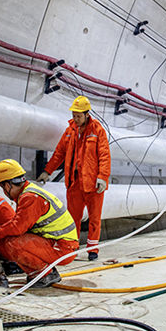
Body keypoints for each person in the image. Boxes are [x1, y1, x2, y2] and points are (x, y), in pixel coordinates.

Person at [38, 95, 111, 261]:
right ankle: (72, 247)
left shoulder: (97, 130)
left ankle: (93, 250)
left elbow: (105, 155)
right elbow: (59, 154)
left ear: (87, 114)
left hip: (93, 183)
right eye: (73, 115)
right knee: (73, 217)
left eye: (78, 115)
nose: (75, 119)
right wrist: (47, 171)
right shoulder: (70, 131)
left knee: (94, 218)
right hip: (74, 182)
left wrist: (102, 177)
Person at [0, 159, 79, 288]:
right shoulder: (28, 192)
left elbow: (17, 227)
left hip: (63, 248)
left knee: (12, 244)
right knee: (7, 242)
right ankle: (43, 272)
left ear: (8, 185)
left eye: (2, 187)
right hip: (59, 244)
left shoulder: (30, 197)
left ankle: (45, 274)